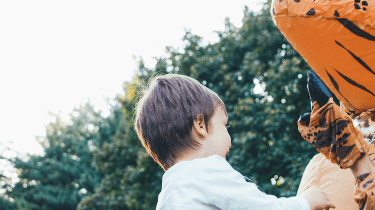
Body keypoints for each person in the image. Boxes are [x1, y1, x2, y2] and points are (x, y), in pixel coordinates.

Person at [135, 74, 335, 210]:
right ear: (200, 125)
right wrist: (306, 202)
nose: (229, 139)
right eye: (225, 125)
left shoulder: (167, 197)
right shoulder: (206, 170)